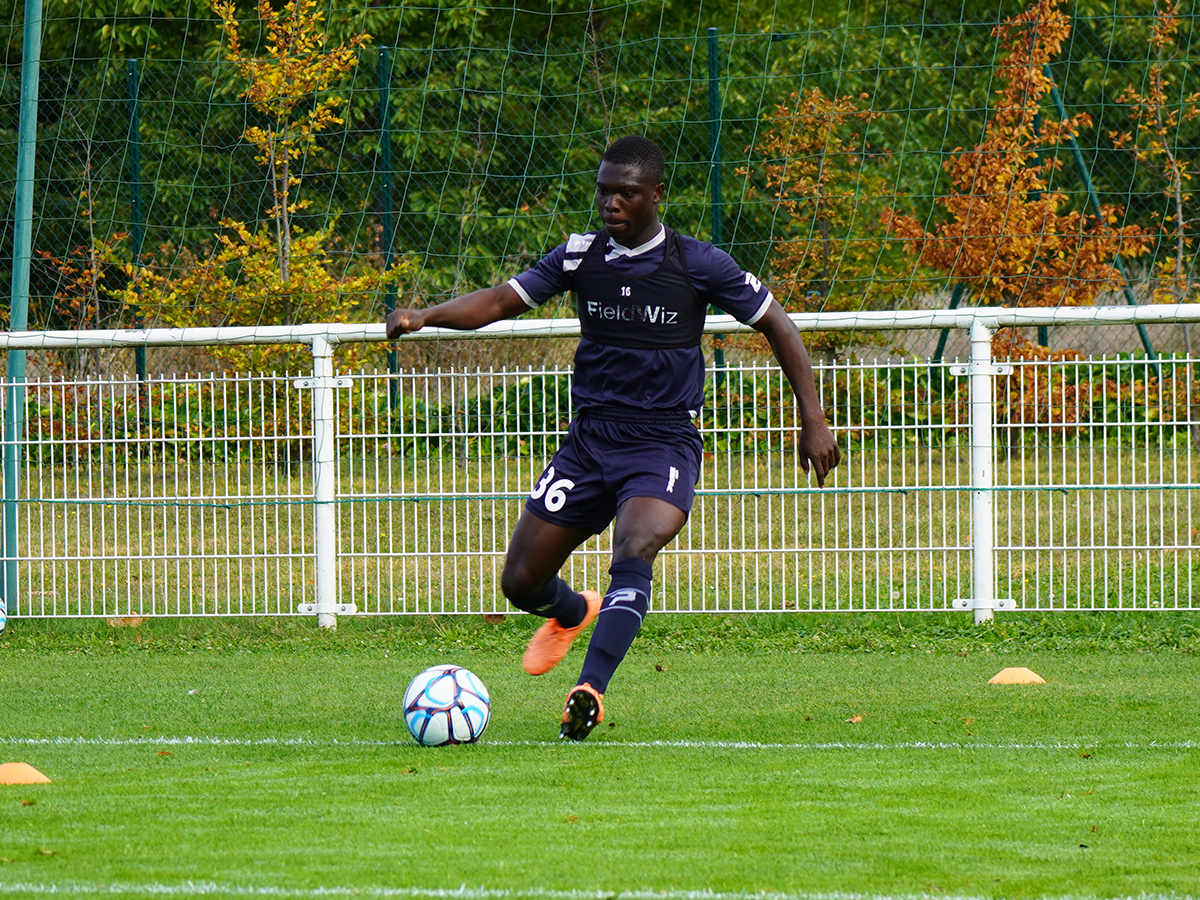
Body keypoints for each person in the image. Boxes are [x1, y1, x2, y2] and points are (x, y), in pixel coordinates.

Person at [385, 135, 840, 741]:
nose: (611, 203)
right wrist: (425, 316)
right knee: (520, 581)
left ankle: (590, 690)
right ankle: (574, 612)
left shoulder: (697, 262)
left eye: (625, 193)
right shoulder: (580, 256)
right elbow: (498, 302)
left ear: (657, 194)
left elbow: (777, 324)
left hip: (663, 442)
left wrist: (813, 419)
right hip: (589, 443)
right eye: (603, 192)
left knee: (636, 546)